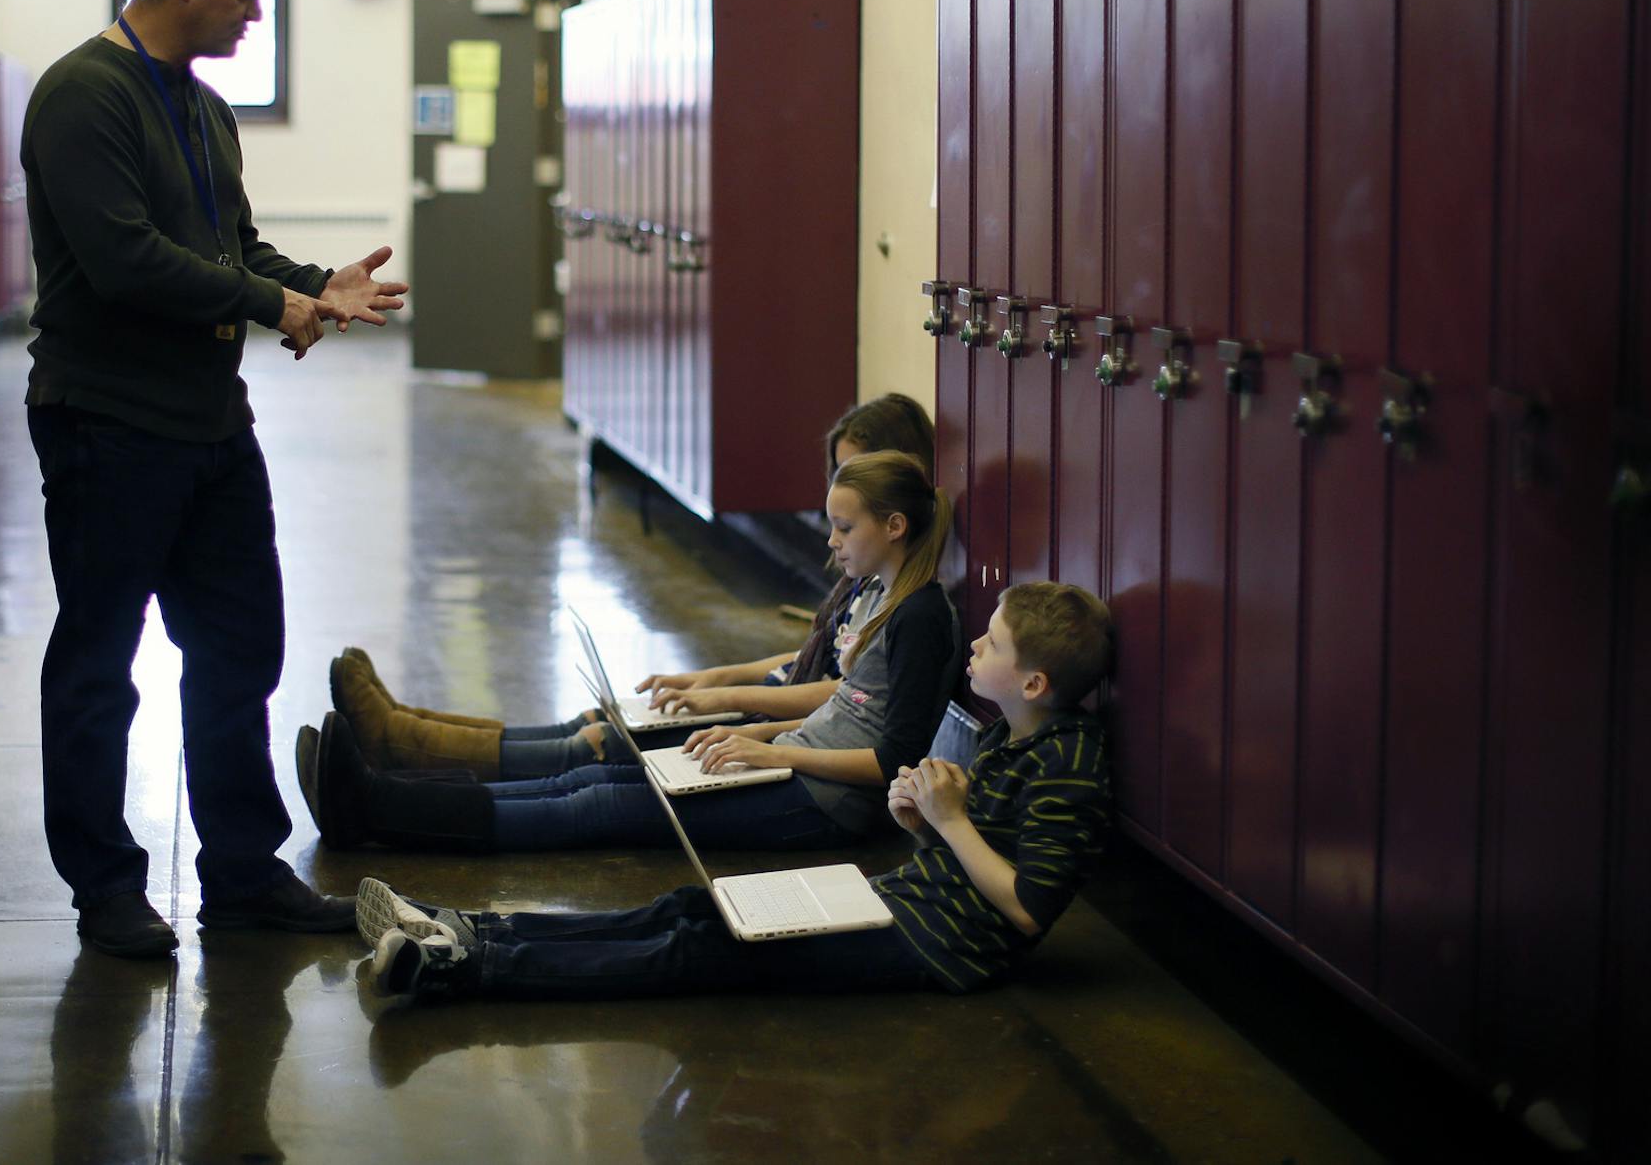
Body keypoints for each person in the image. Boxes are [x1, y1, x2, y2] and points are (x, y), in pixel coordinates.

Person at [22, 0, 409, 957]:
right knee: (100, 661)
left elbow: (229, 245)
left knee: (240, 649)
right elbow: (126, 260)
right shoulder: (82, 95)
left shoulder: (203, 107)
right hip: (107, 423)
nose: (254, 12)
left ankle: (241, 875)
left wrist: (311, 285)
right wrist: (268, 304)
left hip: (207, 425)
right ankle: (104, 889)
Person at [351, 581, 1115, 1006]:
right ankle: (469, 929)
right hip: (905, 899)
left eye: (991, 644)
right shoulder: (1008, 736)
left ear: (1034, 683)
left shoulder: (1069, 767)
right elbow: (962, 856)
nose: (974, 648)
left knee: (699, 948)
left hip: (939, 945)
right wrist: (921, 823)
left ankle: (465, 967)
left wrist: (947, 820)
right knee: (690, 907)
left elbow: (1023, 907)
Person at [298, 450, 962, 854]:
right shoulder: (882, 592)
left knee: (597, 801)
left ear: (895, 526)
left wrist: (769, 747)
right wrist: (761, 732)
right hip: (794, 764)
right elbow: (843, 706)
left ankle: (378, 807)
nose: (832, 543)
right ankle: (390, 782)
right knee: (592, 778)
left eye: (845, 528)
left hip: (823, 807)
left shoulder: (921, 616)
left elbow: (892, 756)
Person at [325, 394, 960, 780]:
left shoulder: (907, 599)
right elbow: (809, 659)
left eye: (849, 489)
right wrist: (711, 679)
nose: (831, 532)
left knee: (600, 747)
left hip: (786, 729)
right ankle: (406, 731)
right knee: (601, 719)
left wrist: (728, 699)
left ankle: (405, 750)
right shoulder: (867, 572)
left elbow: (843, 697)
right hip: (778, 715)